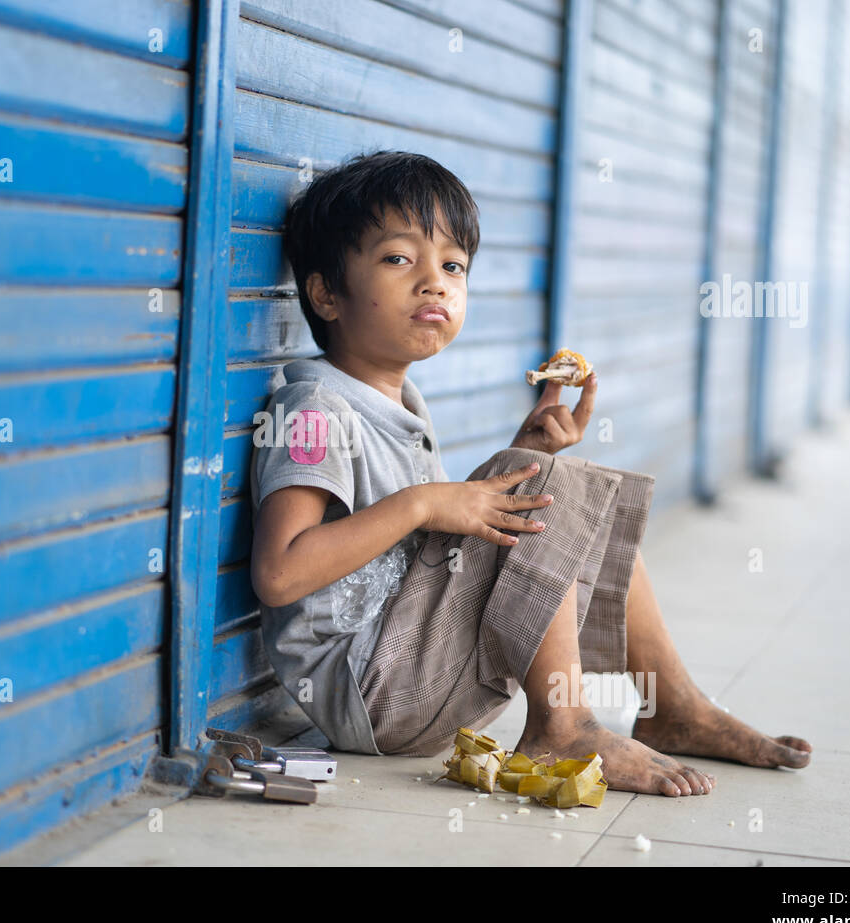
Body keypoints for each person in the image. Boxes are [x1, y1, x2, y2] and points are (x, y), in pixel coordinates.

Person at [249, 150, 812, 797]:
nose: (435, 282)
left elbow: (429, 549)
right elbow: (280, 572)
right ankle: (563, 727)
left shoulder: (403, 405)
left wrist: (523, 452)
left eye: (453, 265)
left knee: (548, 486)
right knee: (537, 482)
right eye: (400, 259)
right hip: (372, 688)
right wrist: (427, 503)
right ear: (325, 293)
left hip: (416, 676)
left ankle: (673, 706)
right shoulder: (314, 410)